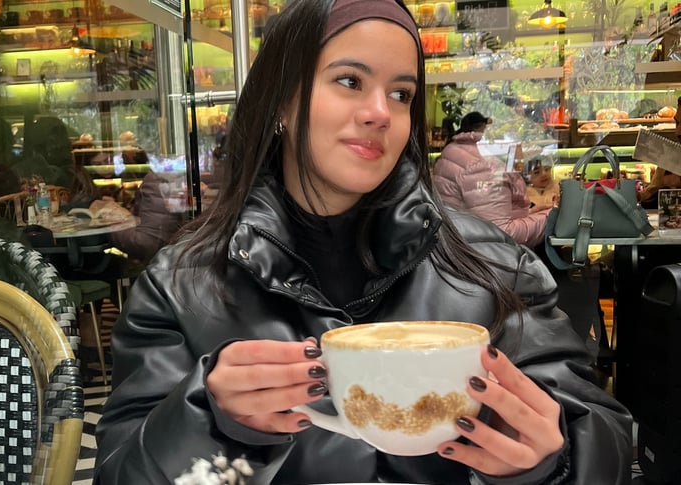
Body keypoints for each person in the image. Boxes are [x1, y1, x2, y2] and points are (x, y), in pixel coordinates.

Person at [95, 1, 632, 484]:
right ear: (281, 101)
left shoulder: (489, 266)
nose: (381, 112)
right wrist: (209, 418)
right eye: (350, 81)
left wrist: (551, 462)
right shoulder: (181, 288)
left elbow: (602, 437)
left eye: (401, 94)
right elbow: (122, 474)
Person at [433, 112, 552, 248]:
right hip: (480, 256)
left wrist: (531, 213)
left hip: (459, 248)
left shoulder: (455, 149)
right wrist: (551, 216)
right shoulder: (485, 166)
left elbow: (482, 213)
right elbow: (501, 234)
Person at [110, 171, 184, 264]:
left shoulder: (160, 179)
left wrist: (110, 216)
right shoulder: (185, 174)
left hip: (168, 264)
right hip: (183, 262)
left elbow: (146, 244)